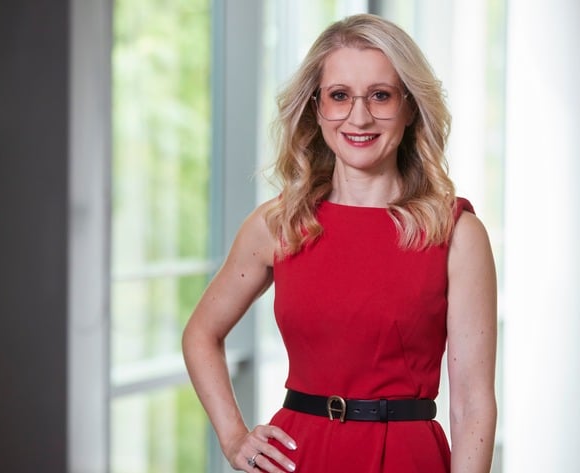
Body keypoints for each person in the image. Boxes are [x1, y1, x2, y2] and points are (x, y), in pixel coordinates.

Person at [182, 13, 497, 473]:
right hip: (299, 457)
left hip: (407, 460)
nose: (359, 116)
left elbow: (472, 406)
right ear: (316, 107)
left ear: (409, 107)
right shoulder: (279, 224)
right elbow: (201, 334)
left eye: (381, 95)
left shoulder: (457, 234)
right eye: (339, 96)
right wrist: (233, 438)